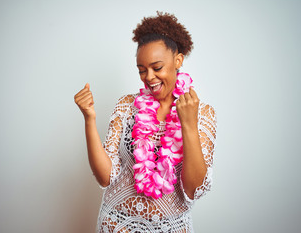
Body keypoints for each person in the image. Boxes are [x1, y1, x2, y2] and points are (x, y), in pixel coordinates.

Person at [74, 12, 217, 233]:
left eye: (157, 67)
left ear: (178, 60)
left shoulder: (203, 114)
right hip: (116, 225)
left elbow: (192, 189)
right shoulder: (127, 106)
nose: (149, 77)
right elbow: (105, 177)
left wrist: (188, 124)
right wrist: (89, 119)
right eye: (142, 70)